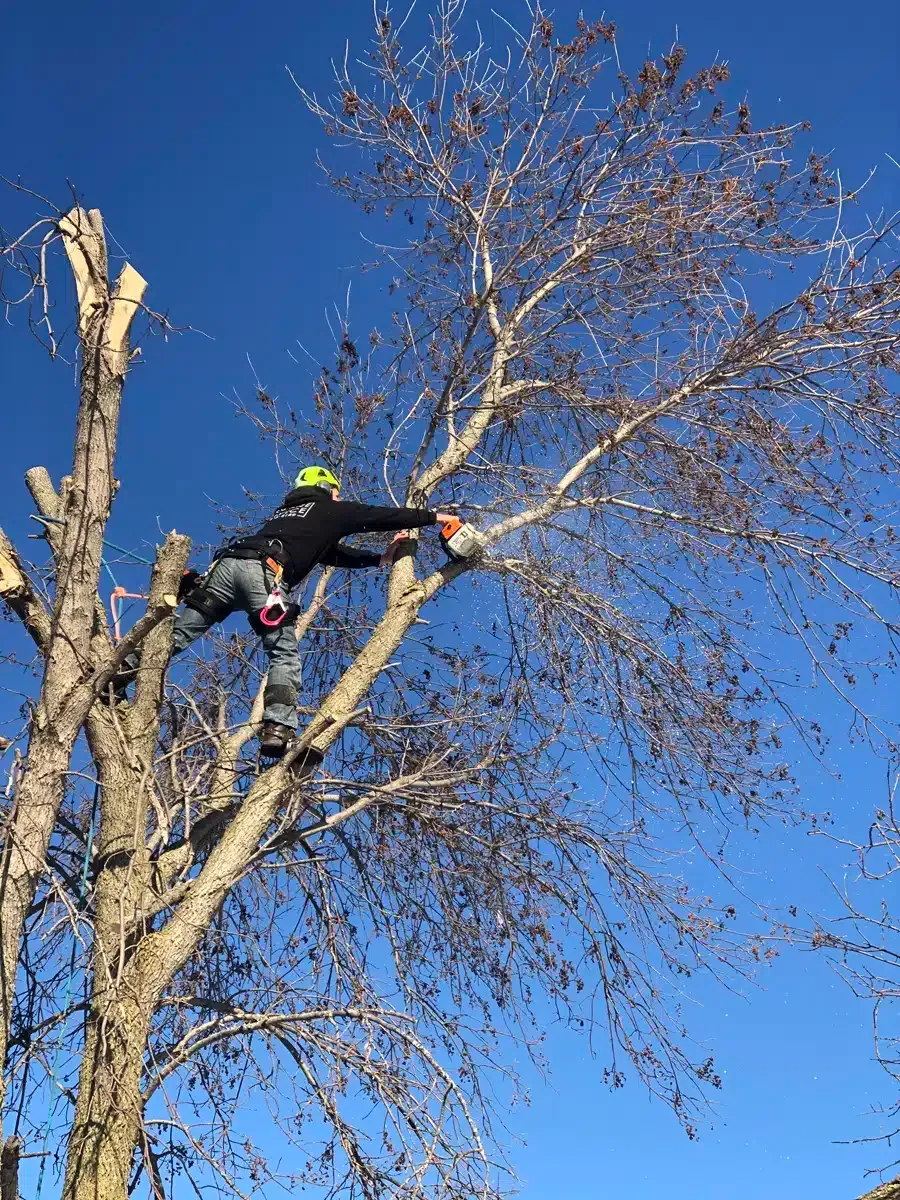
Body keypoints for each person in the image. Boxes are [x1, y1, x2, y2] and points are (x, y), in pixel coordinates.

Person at [110, 466, 454, 758]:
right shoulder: (328, 509)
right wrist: (434, 517)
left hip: (225, 569)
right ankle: (278, 728)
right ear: (325, 488)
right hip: (263, 574)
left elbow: (330, 553)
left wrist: (379, 558)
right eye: (334, 492)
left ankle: (120, 673)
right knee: (283, 653)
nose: (337, 498)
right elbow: (377, 516)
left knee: (179, 634)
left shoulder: (286, 516)